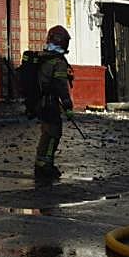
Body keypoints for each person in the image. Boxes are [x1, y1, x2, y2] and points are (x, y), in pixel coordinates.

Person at [35, 24, 75, 179]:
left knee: (46, 133)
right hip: (50, 103)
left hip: (40, 102)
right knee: (54, 134)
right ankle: (46, 165)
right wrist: (68, 106)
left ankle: (40, 163)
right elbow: (60, 86)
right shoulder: (58, 62)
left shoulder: (43, 57)